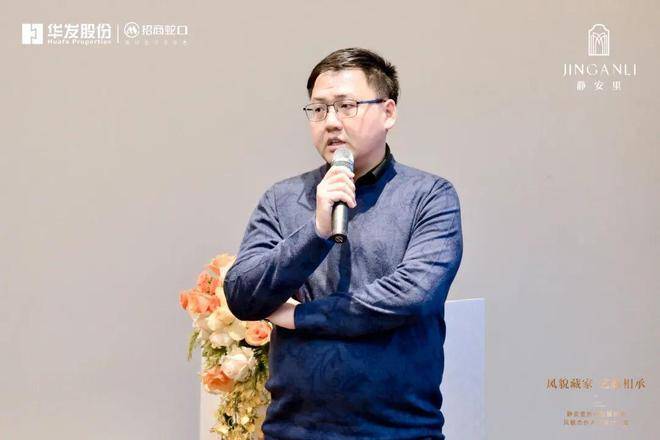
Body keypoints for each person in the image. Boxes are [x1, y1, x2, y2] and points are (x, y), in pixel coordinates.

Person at [223, 47, 463, 440]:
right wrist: (316, 230)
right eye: (318, 109)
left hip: (400, 430)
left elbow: (409, 297)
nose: (331, 122)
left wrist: (301, 317)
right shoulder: (283, 199)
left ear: (388, 112)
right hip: (293, 430)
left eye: (346, 106)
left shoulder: (429, 196)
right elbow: (242, 295)